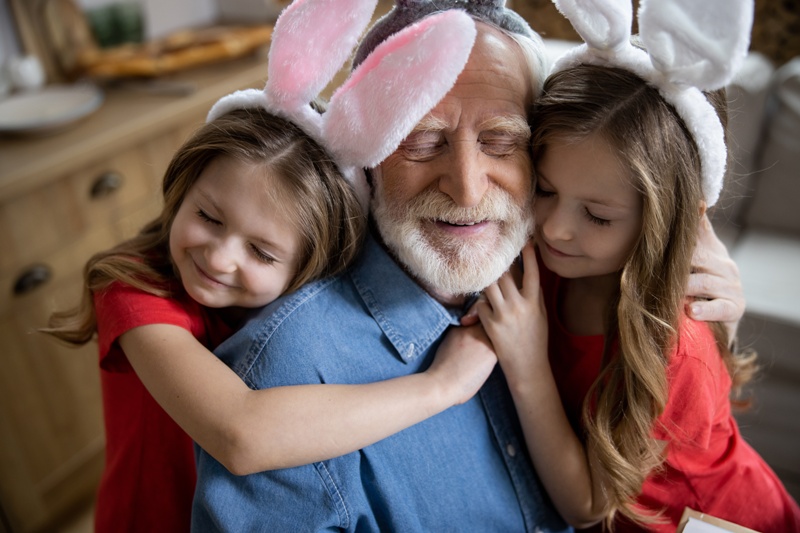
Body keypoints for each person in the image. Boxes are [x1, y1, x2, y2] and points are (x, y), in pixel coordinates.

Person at [191, 0, 748, 531]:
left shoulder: (552, 263)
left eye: (503, 141)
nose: (466, 187)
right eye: (421, 140)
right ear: (362, 152)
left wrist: (698, 269)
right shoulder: (290, 375)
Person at [41, 5, 492, 531]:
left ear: (309, 268)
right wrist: (442, 387)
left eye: (261, 252)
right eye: (209, 216)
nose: (220, 256)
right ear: (183, 186)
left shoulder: (309, 304)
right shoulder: (134, 289)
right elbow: (240, 435)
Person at [474, 0, 800, 530]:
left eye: (598, 216)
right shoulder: (555, 257)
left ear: (669, 222)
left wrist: (527, 361)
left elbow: (587, 507)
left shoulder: (676, 345)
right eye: (547, 189)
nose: (555, 227)